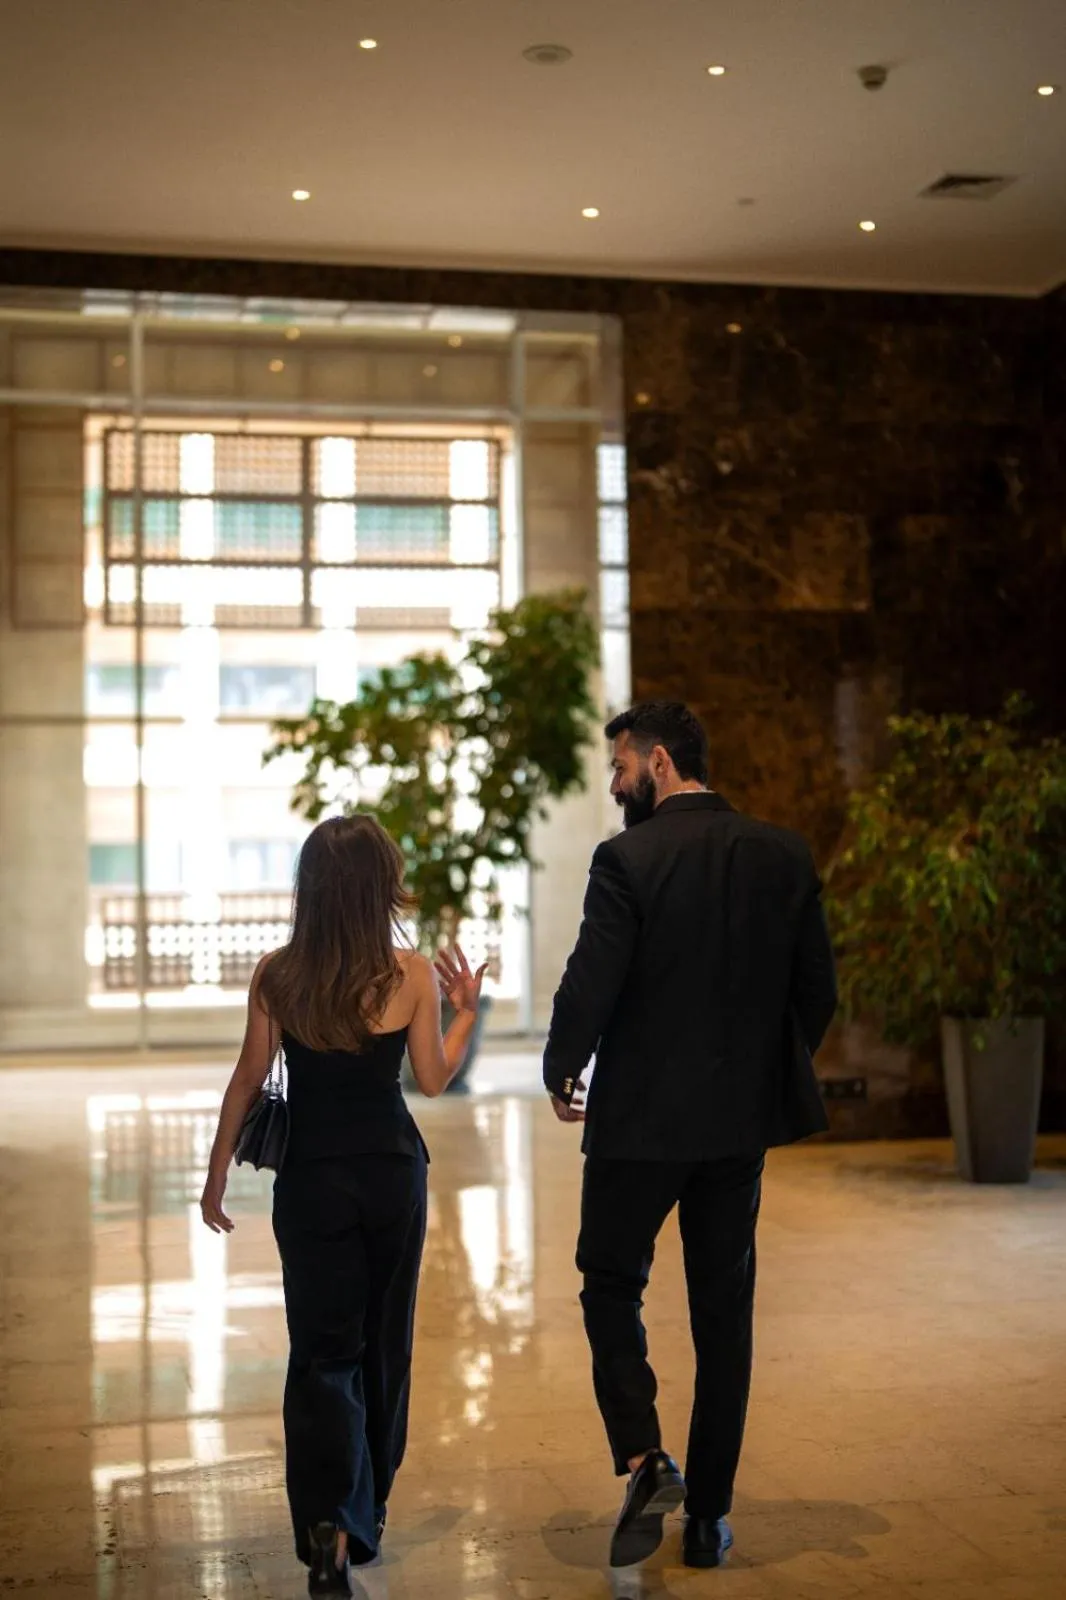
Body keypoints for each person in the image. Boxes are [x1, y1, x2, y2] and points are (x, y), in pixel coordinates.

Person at [543, 701, 837, 1571]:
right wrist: (760, 1075)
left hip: (638, 1126)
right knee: (724, 1315)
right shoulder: (783, 854)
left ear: (660, 762)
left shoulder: (627, 859)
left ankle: (644, 1460)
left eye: (621, 765)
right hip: (734, 1132)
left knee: (608, 1283)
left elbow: (591, 980)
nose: (614, 783)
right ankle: (707, 1519)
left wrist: (564, 1069)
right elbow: (815, 991)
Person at [199, 814, 485, 1597]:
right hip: (393, 1177)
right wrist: (464, 1010)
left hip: (311, 1183)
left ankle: (326, 1526)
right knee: (383, 1345)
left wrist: (216, 1173)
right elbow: (431, 1080)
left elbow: (247, 1079)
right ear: (378, 887)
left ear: (311, 888)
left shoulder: (278, 975)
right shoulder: (412, 973)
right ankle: (368, 1512)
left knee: (323, 1353)